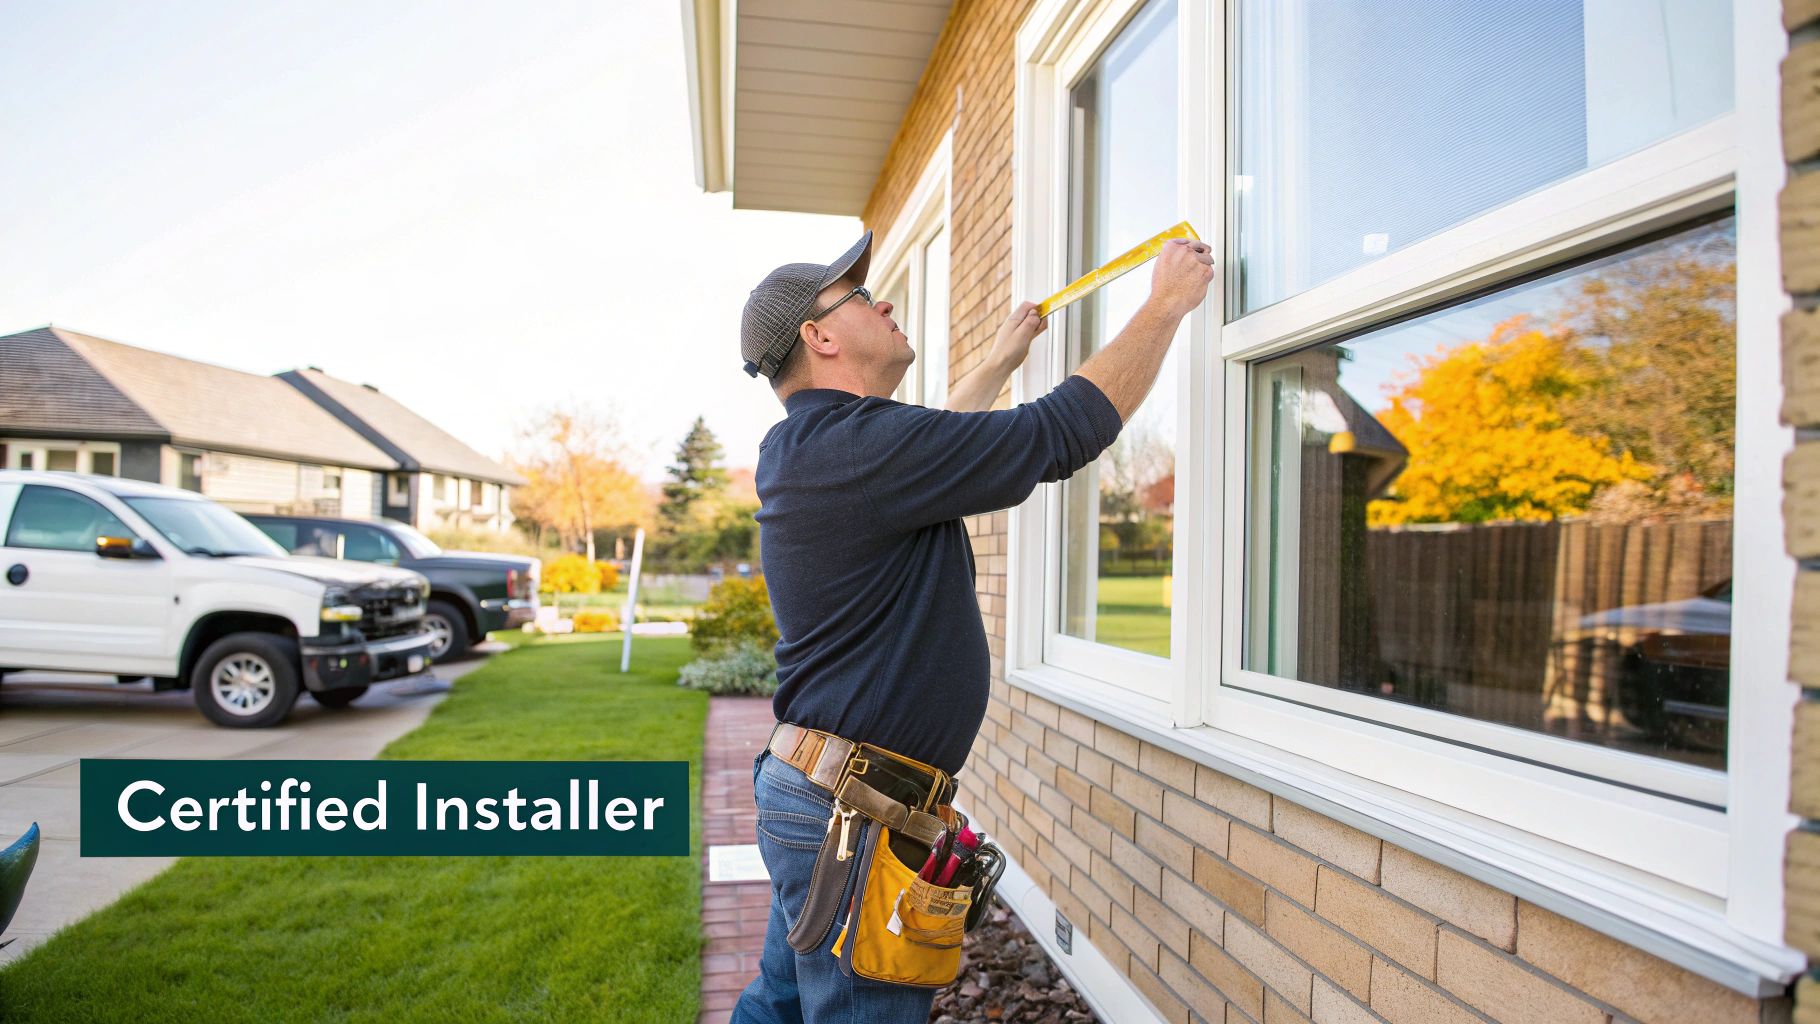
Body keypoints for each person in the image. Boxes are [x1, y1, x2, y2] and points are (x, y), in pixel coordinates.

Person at [731, 229, 1214, 1023]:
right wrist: (1165, 304)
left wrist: (999, 359)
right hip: (851, 816)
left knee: (780, 1003)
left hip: (822, 796)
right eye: (857, 297)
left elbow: (932, 447)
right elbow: (1057, 435)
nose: (882, 301)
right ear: (819, 337)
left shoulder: (832, 449)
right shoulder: (856, 448)